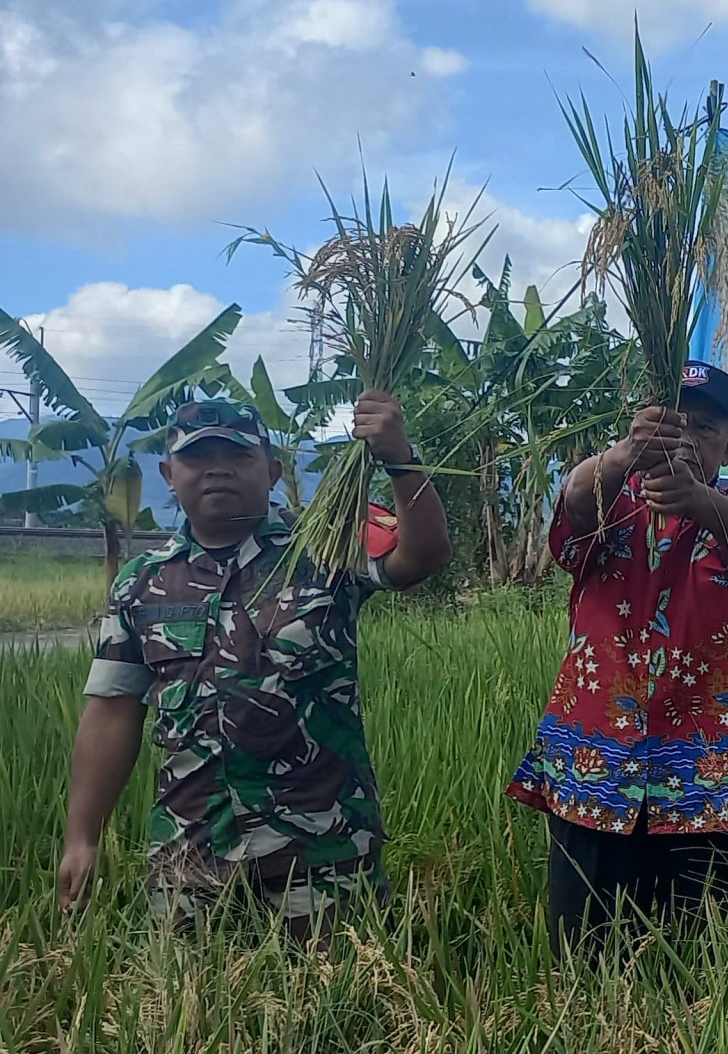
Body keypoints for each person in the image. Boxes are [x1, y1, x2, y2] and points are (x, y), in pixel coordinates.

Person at [57, 392, 451, 937]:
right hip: (189, 856)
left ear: (271, 470)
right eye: (197, 457)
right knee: (187, 1015)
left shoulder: (325, 550)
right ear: (170, 475)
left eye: (237, 455)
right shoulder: (142, 582)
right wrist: (83, 836)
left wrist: (398, 457)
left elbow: (423, 556)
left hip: (322, 852)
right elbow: (111, 714)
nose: (217, 468)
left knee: (338, 1014)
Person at [507, 361, 728, 950]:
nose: (684, 439)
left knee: (713, 960)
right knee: (588, 958)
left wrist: (695, 499)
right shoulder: (610, 500)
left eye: (703, 428)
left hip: (710, 776)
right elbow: (573, 505)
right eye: (669, 424)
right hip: (596, 769)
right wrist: (617, 459)